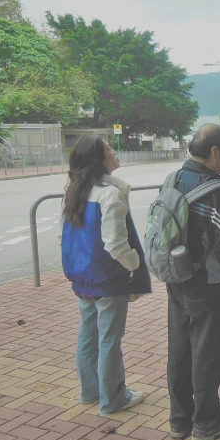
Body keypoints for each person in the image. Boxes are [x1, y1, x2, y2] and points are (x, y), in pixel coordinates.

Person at [165, 125, 220, 440]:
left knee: (180, 348)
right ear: (215, 152)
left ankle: (179, 420)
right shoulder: (214, 191)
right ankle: (207, 423)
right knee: (206, 352)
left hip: (176, 276)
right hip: (207, 283)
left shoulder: (173, 179)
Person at [61, 135, 150, 416]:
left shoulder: (75, 190)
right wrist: (134, 263)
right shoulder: (110, 194)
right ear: (100, 160)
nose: (115, 152)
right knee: (109, 340)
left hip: (81, 277)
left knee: (88, 335)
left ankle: (90, 392)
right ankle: (113, 399)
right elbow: (115, 244)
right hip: (107, 279)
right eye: (110, 149)